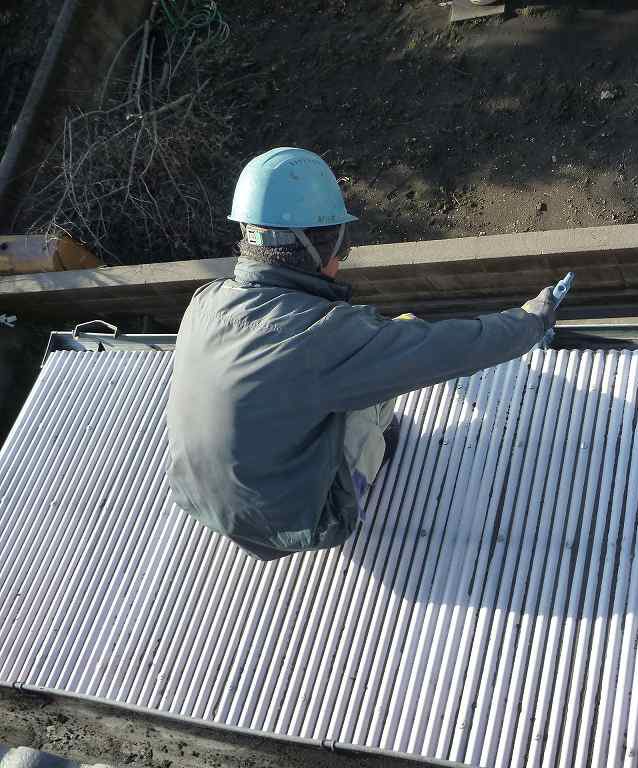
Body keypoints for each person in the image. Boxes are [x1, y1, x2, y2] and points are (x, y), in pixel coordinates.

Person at [166, 147, 559, 561]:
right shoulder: (321, 336)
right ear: (319, 251)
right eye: (343, 247)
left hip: (197, 499)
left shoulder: (204, 301)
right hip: (300, 522)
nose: (342, 259)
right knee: (391, 353)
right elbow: (442, 351)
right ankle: (370, 457)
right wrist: (529, 321)